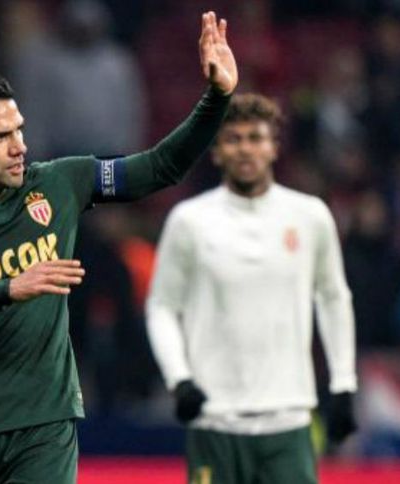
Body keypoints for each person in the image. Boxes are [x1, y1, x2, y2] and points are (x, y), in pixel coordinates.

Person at [0, 11, 237, 484]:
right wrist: (9, 288)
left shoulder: (60, 182)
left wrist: (217, 98)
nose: (19, 147)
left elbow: (158, 168)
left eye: (19, 130)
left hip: (46, 422)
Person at [145, 93, 357, 484]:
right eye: (233, 139)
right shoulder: (190, 221)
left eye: (256, 138)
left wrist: (343, 383)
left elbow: (333, 298)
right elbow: (161, 305)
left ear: (274, 147)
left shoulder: (310, 216)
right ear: (216, 152)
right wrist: (180, 380)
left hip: (288, 419)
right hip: (214, 420)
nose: (245, 149)